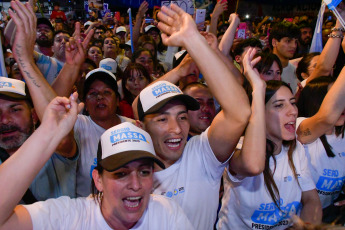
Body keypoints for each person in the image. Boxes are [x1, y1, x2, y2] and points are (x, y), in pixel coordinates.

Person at [131, 5, 257, 229]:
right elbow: (137, 104)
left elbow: (240, 112)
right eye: (162, 119)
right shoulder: (128, 174)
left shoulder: (201, 155)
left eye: (182, 117)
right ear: (141, 126)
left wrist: (193, 41)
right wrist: (180, 71)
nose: (177, 129)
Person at [0, 89, 194, 229]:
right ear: (98, 179)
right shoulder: (70, 217)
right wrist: (47, 133)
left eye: (144, 172)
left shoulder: (166, 213)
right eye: (121, 173)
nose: (136, 185)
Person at [217, 48, 322, 229]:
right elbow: (252, 165)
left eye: (293, 103)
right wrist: (258, 89)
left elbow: (312, 201)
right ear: (260, 114)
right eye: (279, 105)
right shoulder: (238, 149)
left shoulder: (295, 149)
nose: (293, 111)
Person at [0, 77, 78, 202]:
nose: (4, 120)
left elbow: (62, 139)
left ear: (34, 115)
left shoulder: (53, 149)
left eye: (15, 110)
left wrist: (25, 60)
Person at [296, 64, 345, 223]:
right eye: (334, 100)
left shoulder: (343, 135)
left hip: (326, 217)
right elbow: (326, 118)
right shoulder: (300, 126)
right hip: (292, 219)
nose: (341, 106)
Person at [269, 21, 300, 94]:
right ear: (274, 42)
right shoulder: (263, 70)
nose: (294, 46)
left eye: (295, 42)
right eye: (288, 41)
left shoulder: (296, 71)